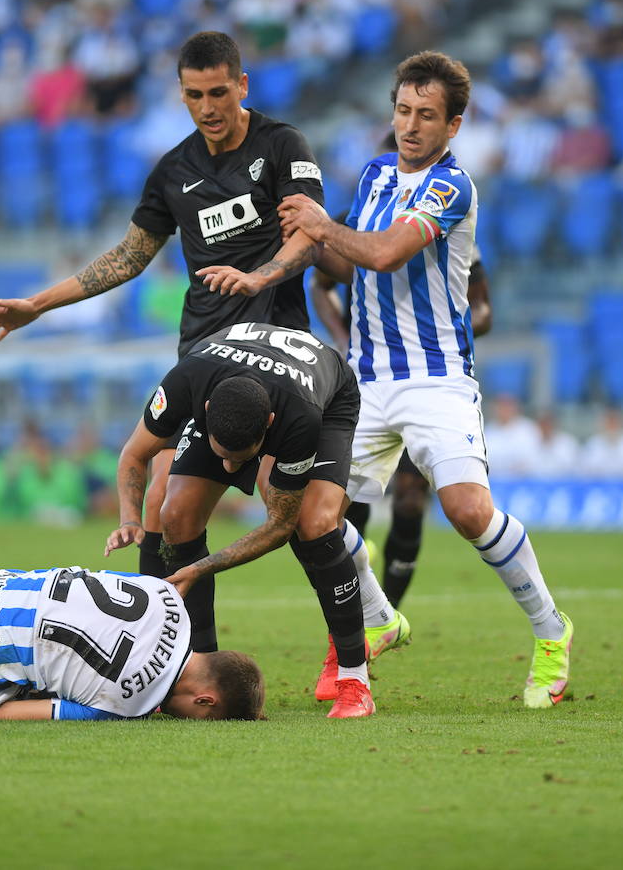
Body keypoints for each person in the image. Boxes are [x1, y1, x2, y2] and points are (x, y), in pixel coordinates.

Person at [197, 51, 574, 709]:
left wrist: (323, 227)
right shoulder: (374, 176)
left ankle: (551, 633)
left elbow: (387, 251)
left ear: (454, 125)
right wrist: (267, 272)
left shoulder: (451, 187)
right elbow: (336, 258)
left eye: (427, 115)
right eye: (403, 110)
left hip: (436, 377)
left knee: (467, 511)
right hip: (365, 382)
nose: (411, 125)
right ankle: (377, 617)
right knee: (305, 513)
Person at [0, 31, 328, 659]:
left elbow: (311, 234)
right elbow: (129, 256)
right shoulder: (175, 172)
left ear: (242, 86)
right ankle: (186, 661)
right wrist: (38, 306)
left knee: (290, 506)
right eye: (194, 95)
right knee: (165, 499)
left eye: (219, 92)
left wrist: (259, 275)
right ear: (181, 95)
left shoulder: (281, 145)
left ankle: (360, 624)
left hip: (275, 348)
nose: (208, 106)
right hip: (204, 359)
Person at [103, 323, 385, 719]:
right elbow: (134, 454)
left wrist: (199, 568)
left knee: (314, 524)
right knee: (175, 513)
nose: (230, 466)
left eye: (242, 457)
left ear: (268, 426)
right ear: (204, 414)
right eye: (223, 454)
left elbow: (278, 526)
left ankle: (354, 680)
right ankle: (201, 665)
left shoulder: (296, 418)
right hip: (228, 366)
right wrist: (130, 518)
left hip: (324, 390)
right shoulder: (187, 381)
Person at [309, 219, 494, 608]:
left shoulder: (447, 225)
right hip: (367, 378)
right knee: (344, 497)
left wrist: (448, 332)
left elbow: (482, 308)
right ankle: (362, 609)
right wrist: (344, 340)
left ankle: (389, 608)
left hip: (425, 382)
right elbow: (320, 284)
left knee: (410, 499)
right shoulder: (352, 219)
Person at [0, 564, 264, 722]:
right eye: (198, 717)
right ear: (204, 700)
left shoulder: (167, 596)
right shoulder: (130, 705)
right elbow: (7, 715)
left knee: (40, 611)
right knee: (20, 680)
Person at [578, 406, 623, 479]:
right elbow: (586, 470)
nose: (612, 425)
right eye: (608, 422)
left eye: (614, 421)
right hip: (600, 485)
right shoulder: (594, 443)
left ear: (622, 422)